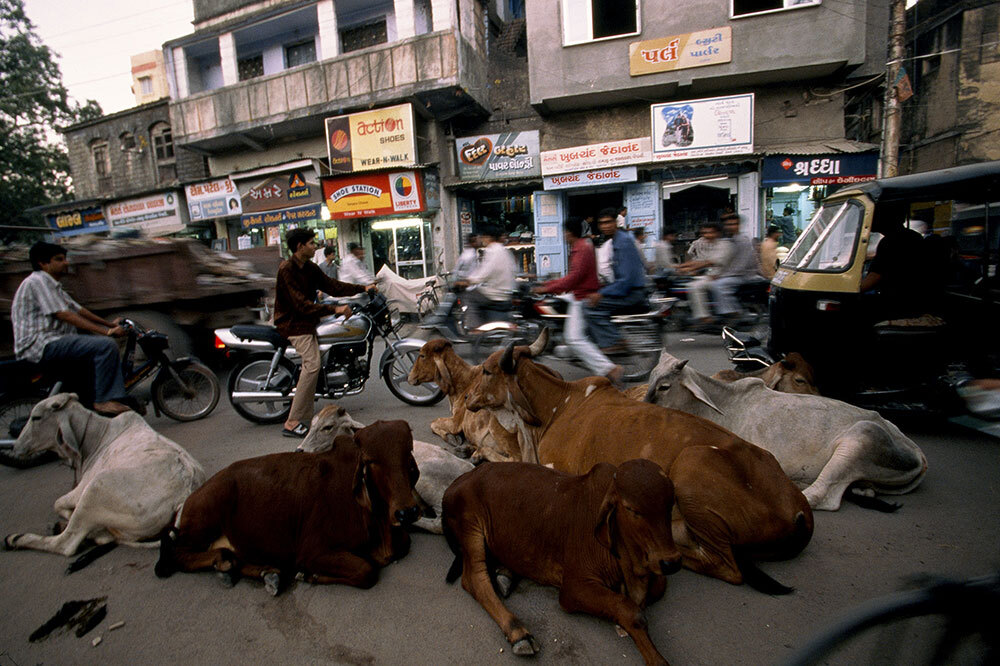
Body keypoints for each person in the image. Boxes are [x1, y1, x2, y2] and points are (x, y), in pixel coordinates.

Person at [11, 242, 131, 416]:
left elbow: (79, 310)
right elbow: (64, 315)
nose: (66, 263)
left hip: (54, 341)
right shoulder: (37, 281)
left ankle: (89, 407)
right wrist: (106, 333)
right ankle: (104, 400)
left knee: (92, 359)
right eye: (59, 259)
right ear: (42, 263)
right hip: (40, 344)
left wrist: (112, 325)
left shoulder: (54, 286)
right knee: (105, 346)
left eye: (65, 259)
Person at [274, 228, 370, 438]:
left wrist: (362, 288)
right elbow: (300, 305)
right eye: (311, 243)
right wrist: (333, 309)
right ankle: (292, 422)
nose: (315, 246)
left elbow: (332, 286)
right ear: (300, 247)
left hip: (308, 320)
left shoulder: (309, 268)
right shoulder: (287, 269)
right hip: (293, 324)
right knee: (312, 364)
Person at [534, 217, 623, 386]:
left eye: (564, 232)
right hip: (581, 292)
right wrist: (549, 284)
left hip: (583, 297)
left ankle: (609, 369)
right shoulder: (583, 246)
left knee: (574, 338)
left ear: (569, 232)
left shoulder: (581, 248)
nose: (563, 235)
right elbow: (572, 277)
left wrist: (548, 288)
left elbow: (575, 277)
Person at [585, 208, 647, 353]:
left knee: (589, 308)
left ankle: (615, 341)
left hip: (632, 293)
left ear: (616, 222)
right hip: (626, 288)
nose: (605, 226)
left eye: (608, 222)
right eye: (602, 223)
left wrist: (602, 293)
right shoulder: (615, 241)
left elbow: (626, 280)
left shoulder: (623, 242)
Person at [859, 205, 929, 320]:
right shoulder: (913, 236)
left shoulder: (891, 241)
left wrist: (853, 291)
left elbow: (875, 276)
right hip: (915, 301)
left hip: (898, 303)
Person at [454, 225, 517, 329]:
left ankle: (475, 329)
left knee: (469, 296)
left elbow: (485, 273)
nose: (482, 240)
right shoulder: (505, 251)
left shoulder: (491, 250)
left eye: (483, 237)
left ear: (489, 237)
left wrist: (467, 282)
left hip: (495, 293)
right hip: (506, 292)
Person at [676, 221, 732, 325]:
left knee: (694, 286)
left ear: (718, 233)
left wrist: (687, 268)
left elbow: (709, 262)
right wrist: (682, 266)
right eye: (704, 233)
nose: (707, 235)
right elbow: (698, 260)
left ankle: (704, 317)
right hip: (710, 275)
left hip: (721, 276)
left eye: (710, 233)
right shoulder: (704, 244)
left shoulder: (724, 245)